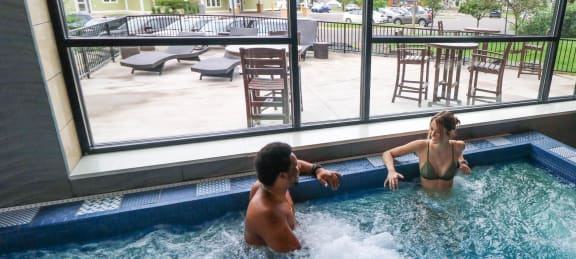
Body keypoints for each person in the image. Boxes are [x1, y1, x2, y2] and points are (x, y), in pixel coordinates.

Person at [244, 142, 342, 253]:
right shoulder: (269, 214)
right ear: (282, 176)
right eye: (295, 167)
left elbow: (298, 164)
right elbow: (300, 253)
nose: (298, 168)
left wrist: (317, 169)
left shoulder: (274, 184)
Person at [382, 111, 471, 190]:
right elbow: (387, 153)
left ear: (449, 132)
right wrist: (391, 171)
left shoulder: (458, 146)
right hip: (425, 201)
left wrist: (462, 162)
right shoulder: (422, 146)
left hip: (449, 202)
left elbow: (458, 152)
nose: (432, 134)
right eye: (431, 129)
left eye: (438, 131)